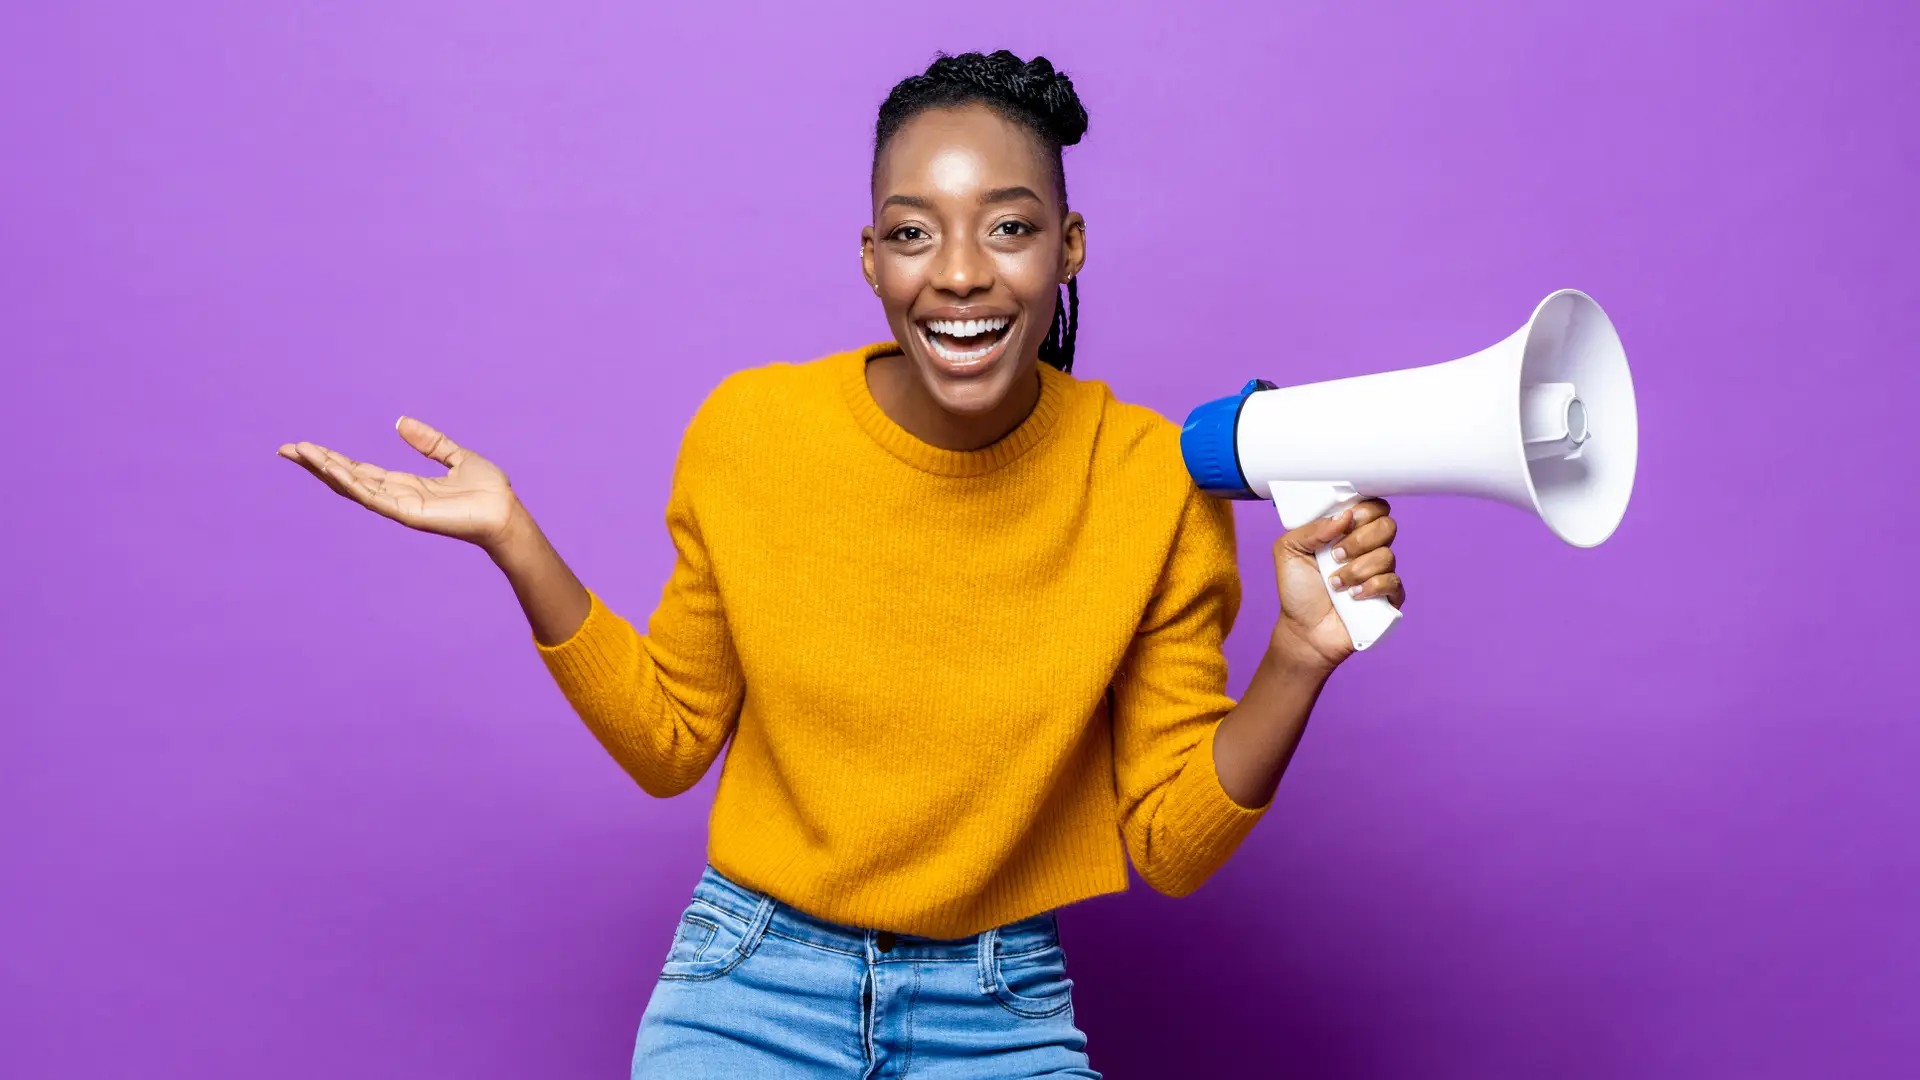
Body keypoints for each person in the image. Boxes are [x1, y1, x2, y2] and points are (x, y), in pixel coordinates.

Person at [278, 49, 1404, 1079]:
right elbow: (671, 743)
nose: (959, 273)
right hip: (748, 987)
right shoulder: (754, 431)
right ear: (871, 260)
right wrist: (516, 540)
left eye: (1008, 228)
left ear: (1069, 245)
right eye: (914, 233)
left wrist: (1297, 660)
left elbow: (1169, 842)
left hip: (999, 1010)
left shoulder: (1153, 477)